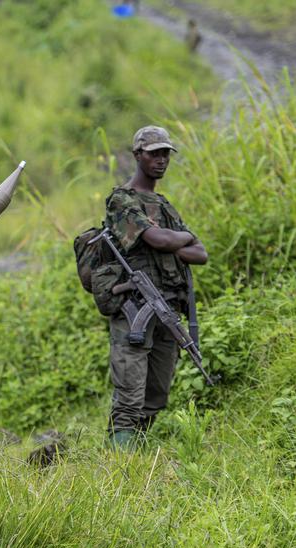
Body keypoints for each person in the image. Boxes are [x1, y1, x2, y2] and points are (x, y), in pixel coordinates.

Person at [104, 126, 208, 449]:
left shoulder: (164, 206)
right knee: (130, 394)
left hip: (166, 309)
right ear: (138, 155)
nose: (161, 160)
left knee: (156, 393)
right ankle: (116, 466)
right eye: (154, 153)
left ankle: (136, 457)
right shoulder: (121, 201)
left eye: (165, 153)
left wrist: (172, 243)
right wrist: (176, 241)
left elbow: (200, 253)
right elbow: (157, 239)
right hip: (134, 307)